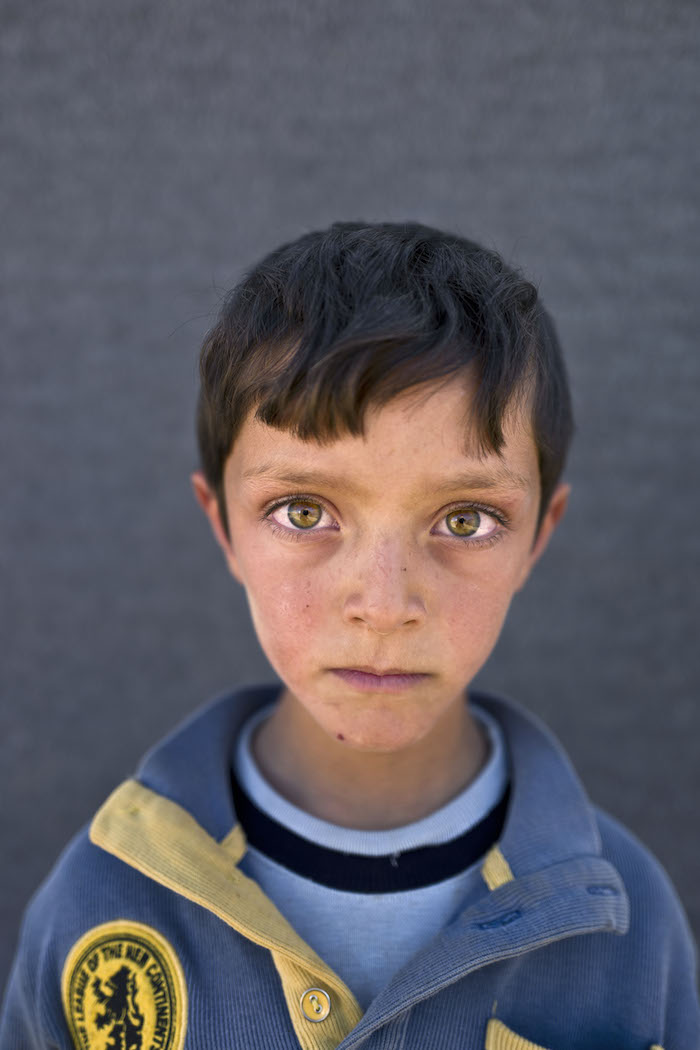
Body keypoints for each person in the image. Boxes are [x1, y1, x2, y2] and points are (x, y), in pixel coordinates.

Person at [2, 221, 698, 1050]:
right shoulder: (101, 898)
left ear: (538, 537)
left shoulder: (630, 921)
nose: (383, 603)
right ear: (222, 524)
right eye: (304, 513)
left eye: (465, 519)